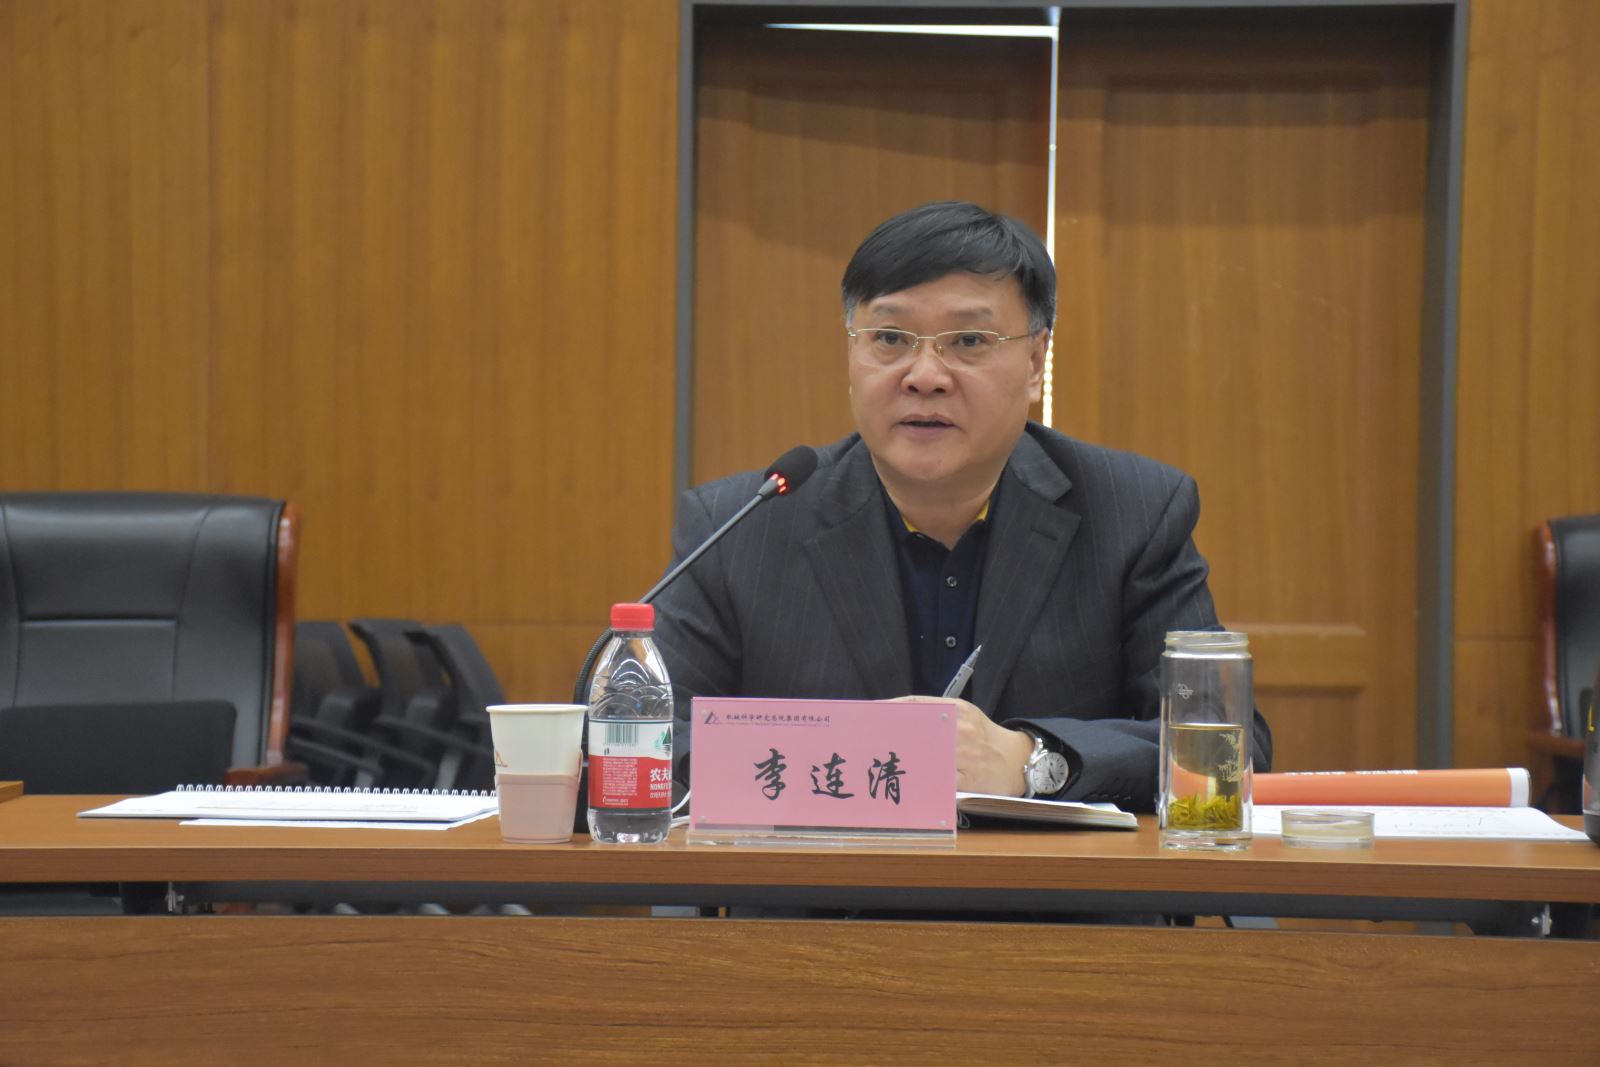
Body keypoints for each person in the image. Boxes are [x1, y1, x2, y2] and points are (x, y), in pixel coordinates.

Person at [654, 200, 1270, 810]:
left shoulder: (1134, 512)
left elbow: (1226, 745)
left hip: (1047, 879)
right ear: (851, 355)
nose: (925, 375)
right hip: (823, 875)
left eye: (970, 340)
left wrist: (1032, 760)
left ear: (1035, 363)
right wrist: (844, 754)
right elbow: (642, 739)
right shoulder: (741, 525)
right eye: (890, 338)